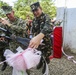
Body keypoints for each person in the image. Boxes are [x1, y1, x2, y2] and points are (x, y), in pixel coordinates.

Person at [0, 6, 28, 71]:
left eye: (9, 14)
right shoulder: (5, 22)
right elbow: (2, 31)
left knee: (23, 64)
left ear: (13, 12)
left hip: (20, 46)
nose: (8, 16)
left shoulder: (21, 21)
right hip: (11, 46)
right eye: (7, 14)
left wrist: (10, 25)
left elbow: (23, 30)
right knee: (14, 64)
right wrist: (3, 36)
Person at [29, 2, 53, 70]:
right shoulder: (34, 20)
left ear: (41, 9)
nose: (35, 12)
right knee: (39, 54)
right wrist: (32, 37)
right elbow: (32, 30)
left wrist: (39, 37)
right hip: (38, 43)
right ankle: (40, 62)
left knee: (46, 56)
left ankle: (45, 65)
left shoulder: (46, 17)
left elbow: (48, 27)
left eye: (36, 10)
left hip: (46, 42)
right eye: (33, 11)